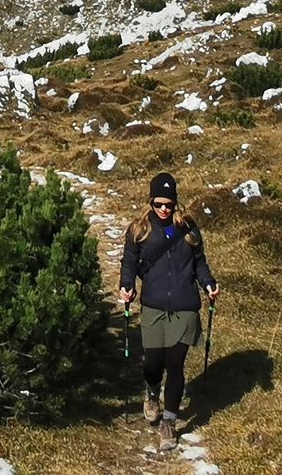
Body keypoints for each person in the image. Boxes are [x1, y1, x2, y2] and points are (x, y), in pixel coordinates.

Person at [118, 170, 218, 446]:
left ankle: (169, 423)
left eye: (169, 205)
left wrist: (208, 283)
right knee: (153, 364)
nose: (163, 209)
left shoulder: (186, 228)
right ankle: (152, 393)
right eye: (158, 204)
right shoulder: (139, 230)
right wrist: (127, 284)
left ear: (175, 203)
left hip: (185, 306)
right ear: (150, 202)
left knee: (175, 364)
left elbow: (199, 262)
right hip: (153, 306)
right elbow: (129, 263)